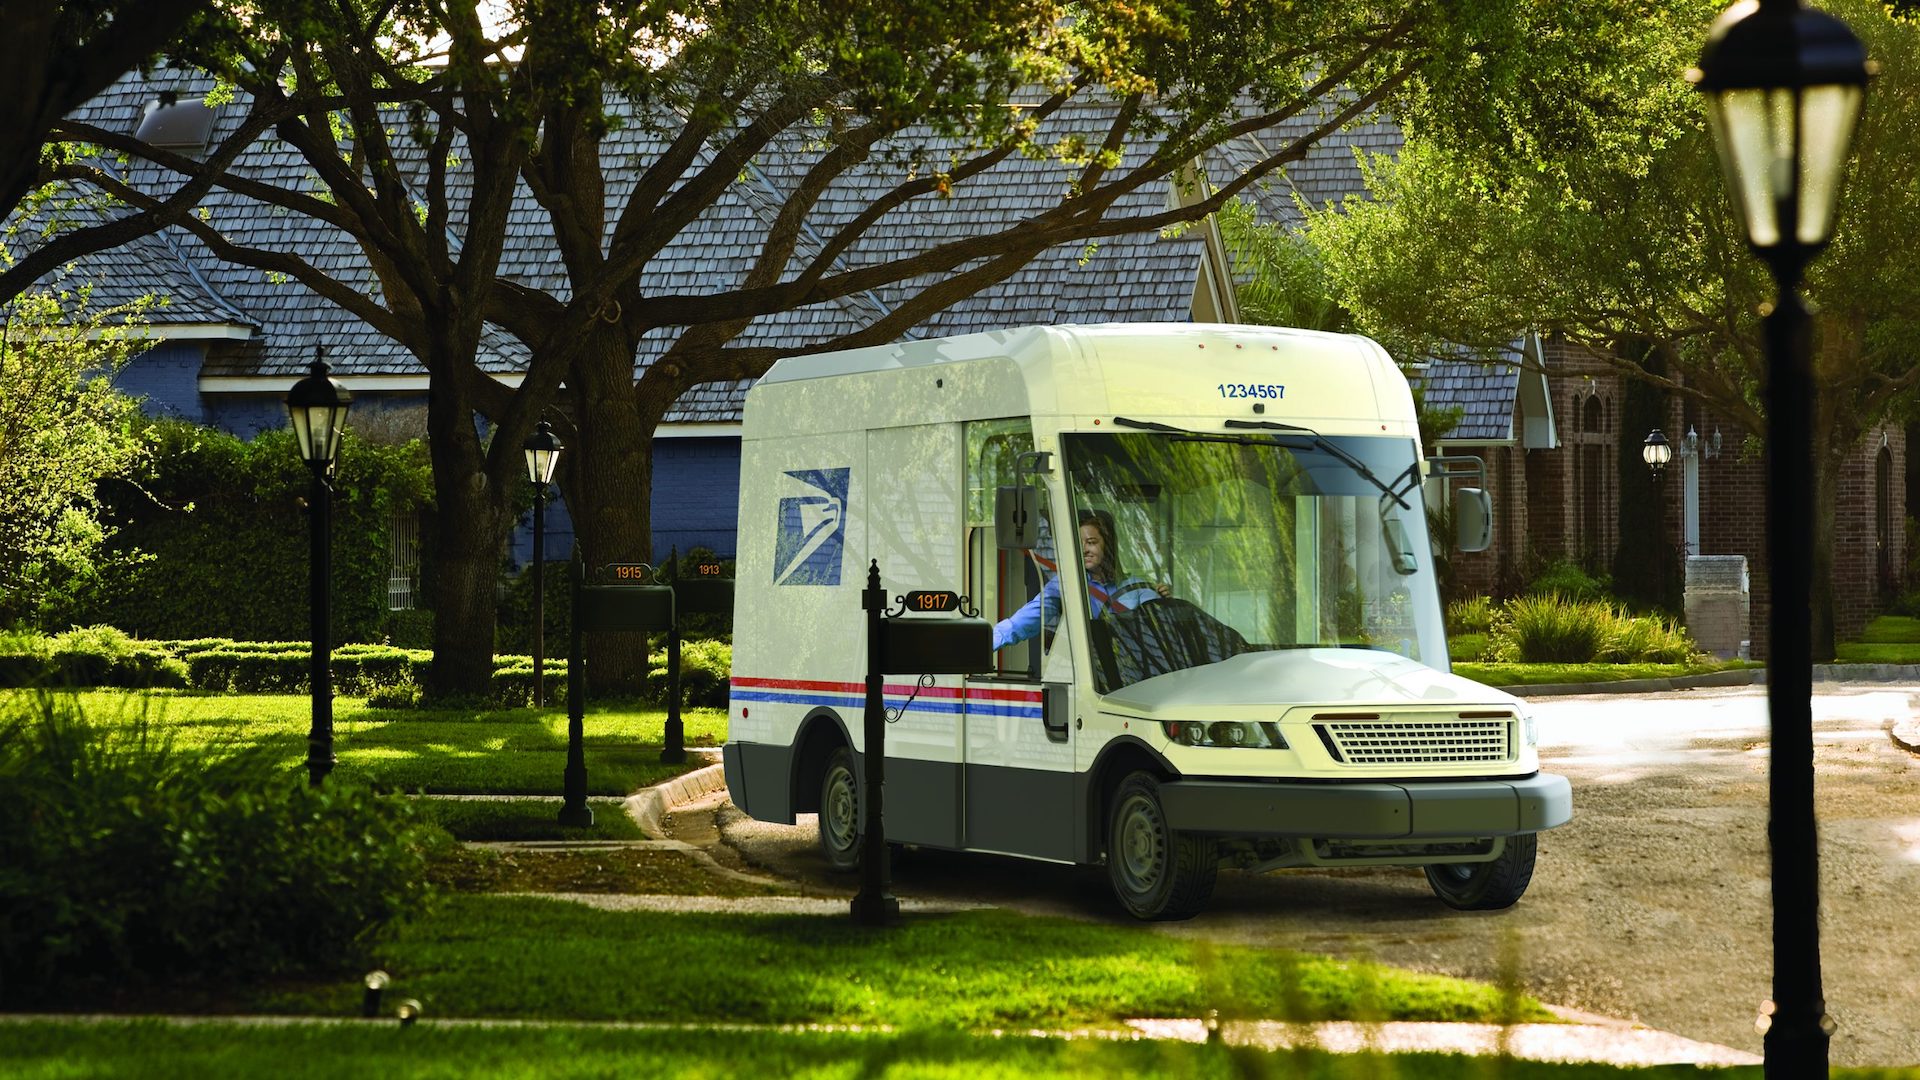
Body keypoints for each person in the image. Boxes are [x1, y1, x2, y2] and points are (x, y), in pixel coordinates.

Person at [993, 509, 1167, 651]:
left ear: (1107, 544)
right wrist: (984, 642)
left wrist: (1168, 603)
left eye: (1091, 542)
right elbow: (1024, 620)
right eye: (1079, 543)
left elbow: (1162, 631)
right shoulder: (1065, 585)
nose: (1084, 550)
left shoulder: (1137, 588)